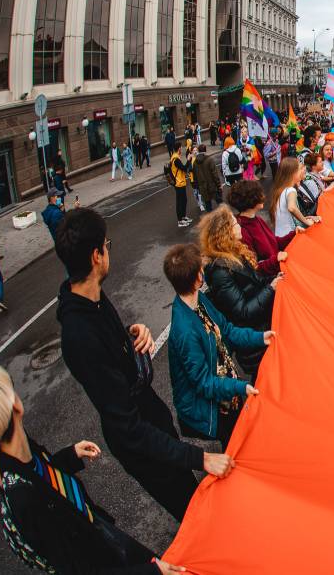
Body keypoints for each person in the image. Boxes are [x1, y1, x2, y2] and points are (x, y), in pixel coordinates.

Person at [54, 208, 234, 522]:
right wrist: (200, 457)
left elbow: (109, 346)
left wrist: (131, 333)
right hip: (143, 446)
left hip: (153, 423)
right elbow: (129, 427)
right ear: (97, 255)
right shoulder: (78, 335)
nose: (109, 251)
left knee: (192, 496)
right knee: (193, 512)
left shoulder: (91, 297)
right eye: (107, 246)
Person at [0, 362, 186, 575]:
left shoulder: (18, 449)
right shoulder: (23, 499)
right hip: (95, 549)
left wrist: (70, 455)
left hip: (91, 524)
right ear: (16, 407)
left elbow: (44, 474)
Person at [164, 244, 269, 450]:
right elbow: (203, 383)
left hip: (225, 393)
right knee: (236, 446)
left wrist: (260, 337)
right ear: (198, 278)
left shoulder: (199, 301)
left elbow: (227, 330)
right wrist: (240, 387)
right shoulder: (184, 331)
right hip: (211, 407)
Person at [199, 205, 277, 378]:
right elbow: (242, 312)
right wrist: (271, 288)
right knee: (265, 381)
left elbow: (256, 282)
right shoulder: (220, 272)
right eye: (235, 225)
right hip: (254, 342)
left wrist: (274, 279)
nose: (240, 227)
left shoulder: (237, 253)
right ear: (226, 232)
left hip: (261, 329)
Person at [230, 180, 297, 277]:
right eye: (259, 194)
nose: (263, 196)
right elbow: (253, 267)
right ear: (251, 200)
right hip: (273, 279)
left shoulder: (256, 219)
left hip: (278, 270)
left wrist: (294, 234)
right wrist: (275, 259)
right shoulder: (242, 231)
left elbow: (274, 243)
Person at [271, 156, 320, 237]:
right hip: (290, 236)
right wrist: (306, 222)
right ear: (292, 173)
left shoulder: (282, 190)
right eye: (300, 169)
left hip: (281, 236)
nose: (303, 170)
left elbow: (289, 216)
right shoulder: (291, 190)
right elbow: (292, 208)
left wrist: (308, 217)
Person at [194, 144, 222, 211]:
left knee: (208, 205)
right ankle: (226, 216)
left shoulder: (195, 162)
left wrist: (198, 187)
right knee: (220, 203)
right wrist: (219, 185)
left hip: (203, 187)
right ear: (205, 150)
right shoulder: (209, 160)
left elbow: (195, 177)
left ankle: (210, 220)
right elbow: (214, 174)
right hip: (212, 186)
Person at [169, 143, 191, 228]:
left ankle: (183, 217)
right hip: (179, 183)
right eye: (181, 148)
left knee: (184, 200)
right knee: (180, 202)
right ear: (178, 149)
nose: (181, 149)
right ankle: (180, 221)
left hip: (180, 182)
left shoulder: (175, 157)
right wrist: (188, 160)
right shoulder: (176, 159)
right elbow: (184, 168)